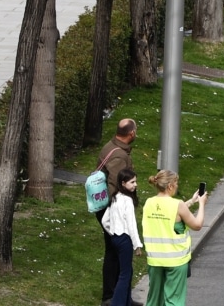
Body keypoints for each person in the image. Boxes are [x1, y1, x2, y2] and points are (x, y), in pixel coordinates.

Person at [141, 170, 206, 306]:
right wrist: (201, 204)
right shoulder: (177, 205)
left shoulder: (148, 203)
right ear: (170, 186)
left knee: (154, 300)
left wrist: (191, 201)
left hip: (155, 260)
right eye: (176, 183)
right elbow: (197, 225)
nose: (177, 186)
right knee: (173, 301)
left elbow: (168, 214)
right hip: (176, 261)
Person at [97, 119, 137, 306]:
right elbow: (117, 184)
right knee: (116, 253)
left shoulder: (110, 145)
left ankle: (122, 298)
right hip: (113, 211)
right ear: (131, 134)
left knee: (113, 252)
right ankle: (111, 297)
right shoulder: (119, 156)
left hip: (108, 208)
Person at [101, 168, 142, 306]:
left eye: (135, 181)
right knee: (124, 274)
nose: (135, 184)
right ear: (123, 183)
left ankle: (127, 301)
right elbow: (131, 225)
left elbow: (105, 220)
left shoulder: (115, 196)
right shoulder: (127, 200)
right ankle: (117, 303)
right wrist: (137, 245)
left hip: (115, 239)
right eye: (132, 182)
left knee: (127, 270)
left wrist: (112, 231)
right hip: (125, 239)